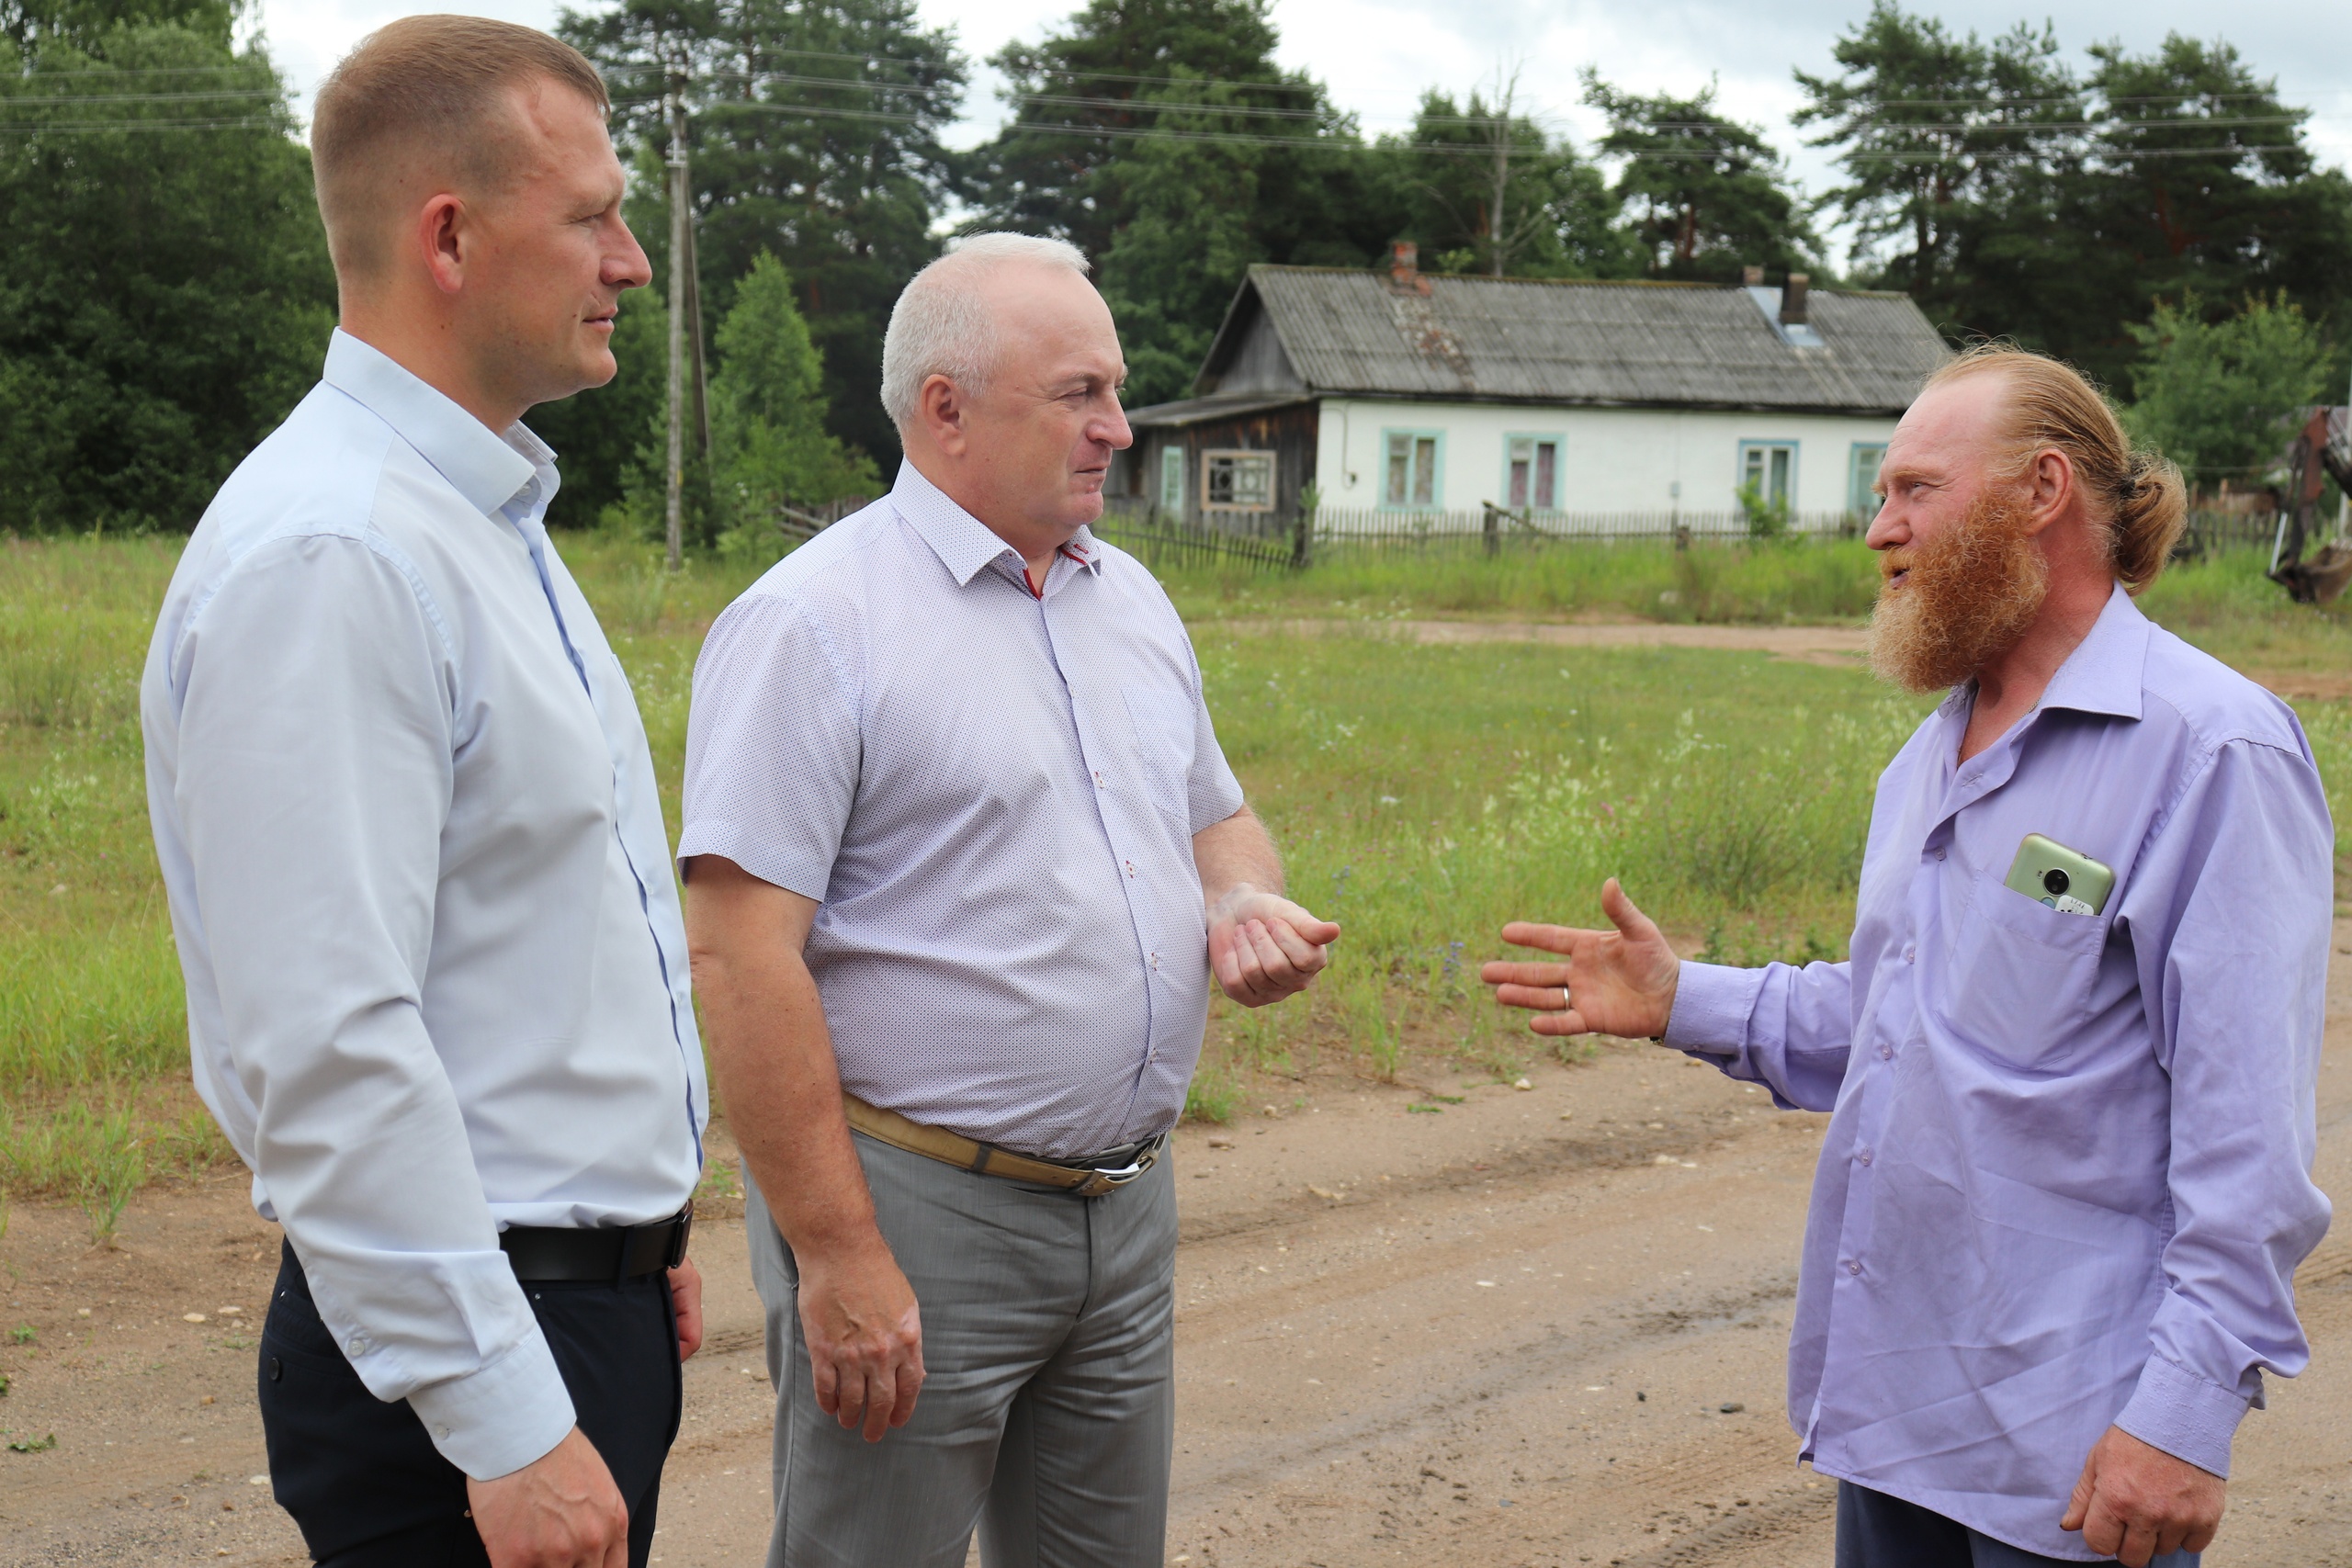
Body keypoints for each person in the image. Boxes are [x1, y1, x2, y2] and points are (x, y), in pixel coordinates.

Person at [1482, 346, 2332, 1568]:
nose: (1879, 529)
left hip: (2074, 1456)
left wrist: (2188, 1412)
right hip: (1897, 1421)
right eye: (1883, 497)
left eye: (1914, 489)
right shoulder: (1929, 760)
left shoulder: (2211, 752)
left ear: (2042, 491)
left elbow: (2245, 1137)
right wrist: (1683, 999)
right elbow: (1900, 1020)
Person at [678, 231, 1339, 1568]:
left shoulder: (1130, 598)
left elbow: (1217, 819)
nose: (1120, 426)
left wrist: (1243, 902)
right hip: (917, 1215)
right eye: (1081, 393)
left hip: (1123, 1209)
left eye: (1116, 388)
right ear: (947, 411)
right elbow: (741, 958)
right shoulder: (813, 624)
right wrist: (837, 1255)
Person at [141, 18, 703, 1568]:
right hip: (462, 1359)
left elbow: (535, 925)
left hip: (555, 1300)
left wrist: (633, 1220)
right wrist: (508, 1419)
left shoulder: (478, 514)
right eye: (592, 215)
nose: (633, 261)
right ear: (448, 237)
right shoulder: (339, 553)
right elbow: (327, 1045)